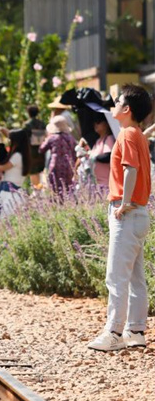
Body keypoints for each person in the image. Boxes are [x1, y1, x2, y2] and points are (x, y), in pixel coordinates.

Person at [87, 85, 153, 352]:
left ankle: (113, 332)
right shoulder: (136, 133)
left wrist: (124, 202)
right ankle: (135, 330)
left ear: (126, 110)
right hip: (141, 213)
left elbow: (131, 169)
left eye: (117, 101)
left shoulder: (126, 134)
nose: (113, 104)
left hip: (127, 212)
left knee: (116, 276)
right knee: (136, 277)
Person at [0, 129, 30, 216]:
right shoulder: (24, 155)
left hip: (7, 187)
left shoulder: (16, 156)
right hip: (15, 187)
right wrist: (3, 131)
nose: (9, 141)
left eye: (11, 139)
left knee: (1, 216)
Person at [39, 115, 77, 197]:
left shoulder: (52, 138)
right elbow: (75, 152)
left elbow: (41, 149)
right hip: (69, 165)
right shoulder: (70, 138)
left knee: (56, 188)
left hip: (56, 165)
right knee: (68, 187)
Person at [76, 115, 115, 190]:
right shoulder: (98, 141)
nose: (95, 125)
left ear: (106, 124)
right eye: (95, 123)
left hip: (105, 182)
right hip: (95, 182)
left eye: (98, 122)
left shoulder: (109, 139)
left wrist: (93, 156)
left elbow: (108, 156)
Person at [24, 105, 46, 187]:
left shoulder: (27, 124)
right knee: (40, 170)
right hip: (41, 148)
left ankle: (36, 189)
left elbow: (24, 137)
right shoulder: (42, 123)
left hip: (31, 150)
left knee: (32, 171)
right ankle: (40, 187)